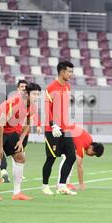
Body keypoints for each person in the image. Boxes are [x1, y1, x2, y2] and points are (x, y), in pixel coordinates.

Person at [0, 83, 42, 201]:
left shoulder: (33, 106)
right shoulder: (15, 102)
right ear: (27, 94)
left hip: (11, 130)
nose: (37, 97)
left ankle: (17, 193)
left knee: (20, 157)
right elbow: (0, 124)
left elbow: (28, 123)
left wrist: (21, 140)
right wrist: (0, 146)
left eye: (38, 94)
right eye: (34, 94)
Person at [42, 61, 77, 196]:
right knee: (51, 158)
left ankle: (62, 185)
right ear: (62, 72)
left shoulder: (68, 87)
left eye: (71, 72)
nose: (71, 74)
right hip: (52, 129)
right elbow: (47, 108)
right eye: (69, 71)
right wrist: (52, 124)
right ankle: (45, 186)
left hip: (65, 129)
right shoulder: (51, 87)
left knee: (71, 156)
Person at [57, 126, 105, 191]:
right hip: (59, 133)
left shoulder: (89, 140)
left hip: (63, 132)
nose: (91, 156)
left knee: (70, 158)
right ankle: (61, 184)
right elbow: (79, 165)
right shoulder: (83, 145)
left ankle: (64, 183)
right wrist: (81, 184)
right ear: (91, 147)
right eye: (93, 154)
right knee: (68, 158)